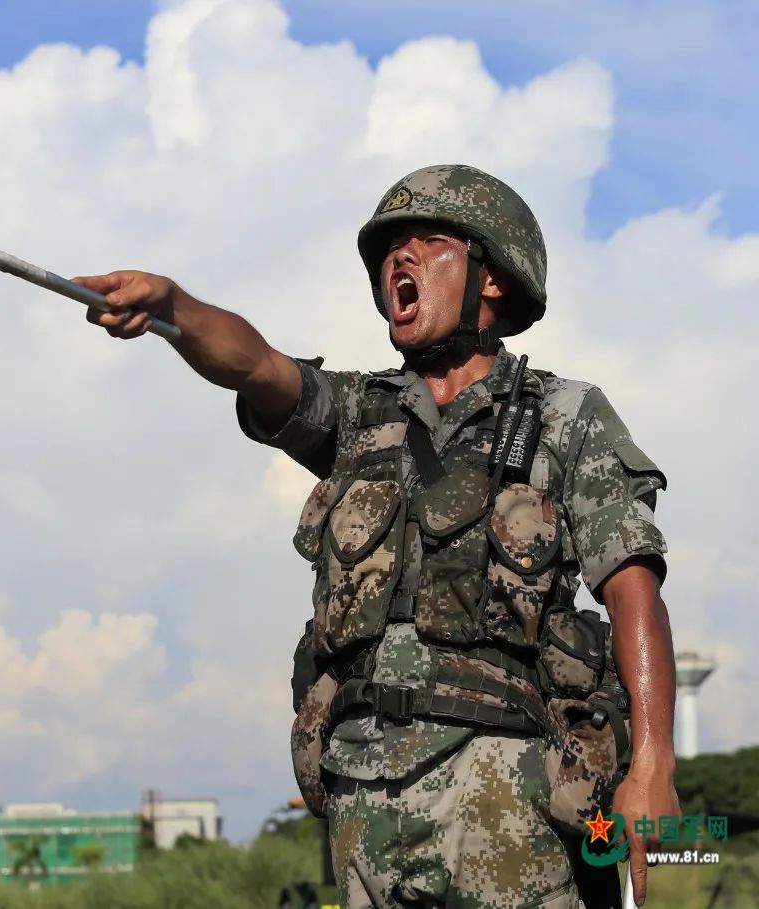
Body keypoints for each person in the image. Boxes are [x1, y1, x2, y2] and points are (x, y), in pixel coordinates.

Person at [76, 164, 679, 908]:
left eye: (429, 240)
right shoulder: (357, 412)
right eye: (390, 247)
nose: (401, 256)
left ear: (493, 277)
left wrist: (652, 759)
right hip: (361, 787)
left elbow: (632, 588)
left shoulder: (562, 412)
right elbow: (256, 364)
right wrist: (175, 308)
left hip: (506, 781)